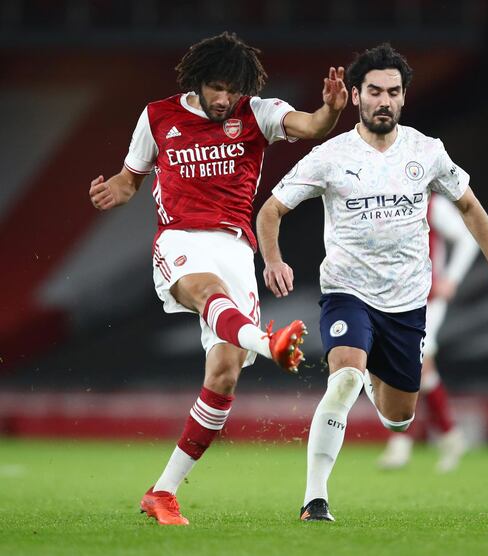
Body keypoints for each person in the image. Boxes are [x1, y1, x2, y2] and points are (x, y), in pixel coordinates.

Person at [256, 43, 488, 522]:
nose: (385, 100)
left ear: (404, 98)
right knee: (342, 378)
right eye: (375, 91)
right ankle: (314, 499)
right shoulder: (330, 156)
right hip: (346, 292)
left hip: (406, 302)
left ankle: (375, 372)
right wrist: (272, 260)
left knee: (398, 418)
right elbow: (272, 209)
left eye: (394, 92)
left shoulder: (427, 151)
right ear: (356, 95)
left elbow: (469, 206)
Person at [87, 32, 347, 526]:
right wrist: (113, 192)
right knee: (209, 294)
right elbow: (130, 178)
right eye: (216, 88)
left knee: (224, 373)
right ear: (196, 81)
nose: (224, 99)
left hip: (236, 247)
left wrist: (330, 111)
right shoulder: (158, 116)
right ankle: (271, 344)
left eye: (232, 89)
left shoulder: (257, 113)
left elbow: (310, 124)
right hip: (181, 240)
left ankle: (162, 492)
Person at [378, 193, 480, 472]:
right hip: (396, 298)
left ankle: (402, 443)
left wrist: (452, 279)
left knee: (414, 363)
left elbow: (468, 237)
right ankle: (450, 436)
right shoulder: (386, 200)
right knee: (419, 368)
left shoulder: (431, 202)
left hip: (427, 298)